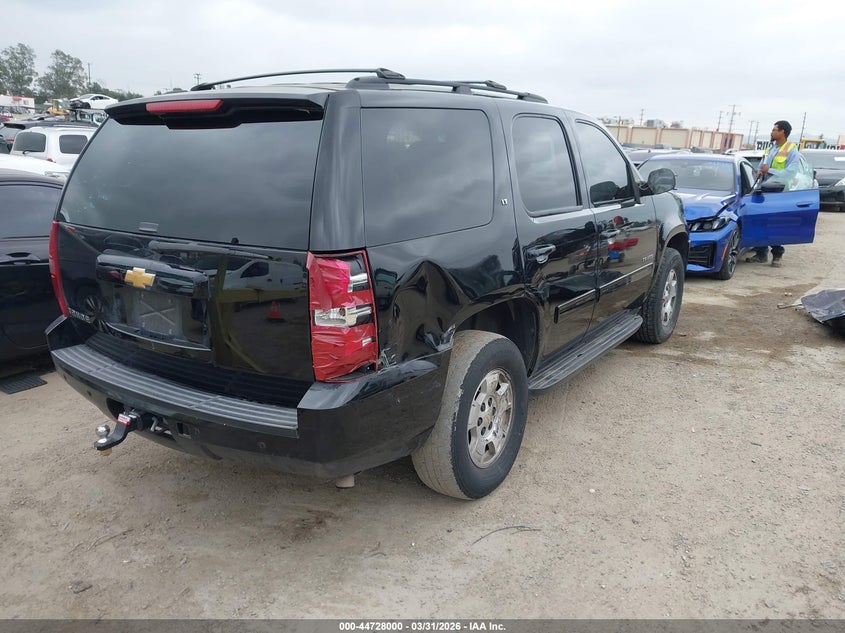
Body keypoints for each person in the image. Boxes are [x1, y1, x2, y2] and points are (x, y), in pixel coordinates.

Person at [747, 120, 799, 267]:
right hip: (765, 190)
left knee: (775, 223)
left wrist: (769, 170)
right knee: (762, 221)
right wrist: (759, 171)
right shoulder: (771, 148)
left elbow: (791, 172)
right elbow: (763, 166)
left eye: (774, 129)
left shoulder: (791, 150)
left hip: (779, 192)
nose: (772, 132)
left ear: (782, 132)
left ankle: (777, 254)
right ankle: (761, 253)